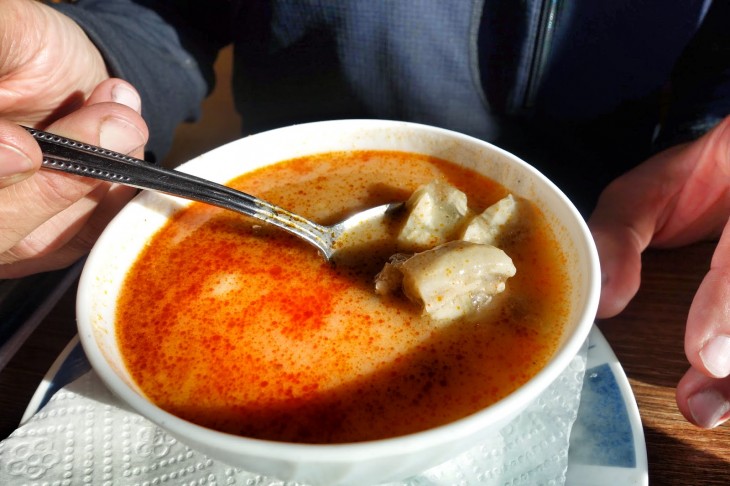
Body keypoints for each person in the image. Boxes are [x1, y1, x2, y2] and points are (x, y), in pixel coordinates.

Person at [0, 0, 728, 429]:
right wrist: (99, 73)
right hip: (265, 166)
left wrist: (711, 133)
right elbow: (163, 15)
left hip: (628, 238)